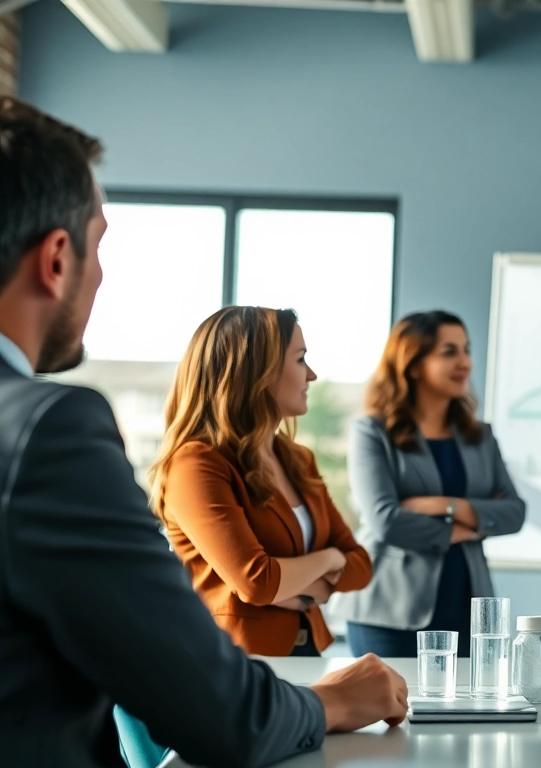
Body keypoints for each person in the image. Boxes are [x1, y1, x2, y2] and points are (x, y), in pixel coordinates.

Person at [0, 97, 407, 767]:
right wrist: (338, 701)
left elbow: (350, 558)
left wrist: (315, 570)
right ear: (55, 258)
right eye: (100, 246)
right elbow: (222, 704)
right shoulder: (48, 433)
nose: (101, 276)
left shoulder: (292, 457)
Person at [148, 306, 373, 657]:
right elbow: (256, 583)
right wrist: (328, 561)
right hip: (232, 661)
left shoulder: (298, 459)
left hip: (307, 655)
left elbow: (360, 564)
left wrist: (298, 582)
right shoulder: (196, 464)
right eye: (300, 360)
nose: (311, 375)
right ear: (257, 373)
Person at [330, 311, 526, 657]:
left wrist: (447, 506)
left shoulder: (480, 436)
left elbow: (514, 512)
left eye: (467, 350)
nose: (465, 362)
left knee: (466, 710)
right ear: (414, 363)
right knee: (389, 710)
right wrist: (467, 527)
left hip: (469, 608)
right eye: (449, 352)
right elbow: (385, 520)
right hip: (388, 611)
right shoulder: (373, 432)